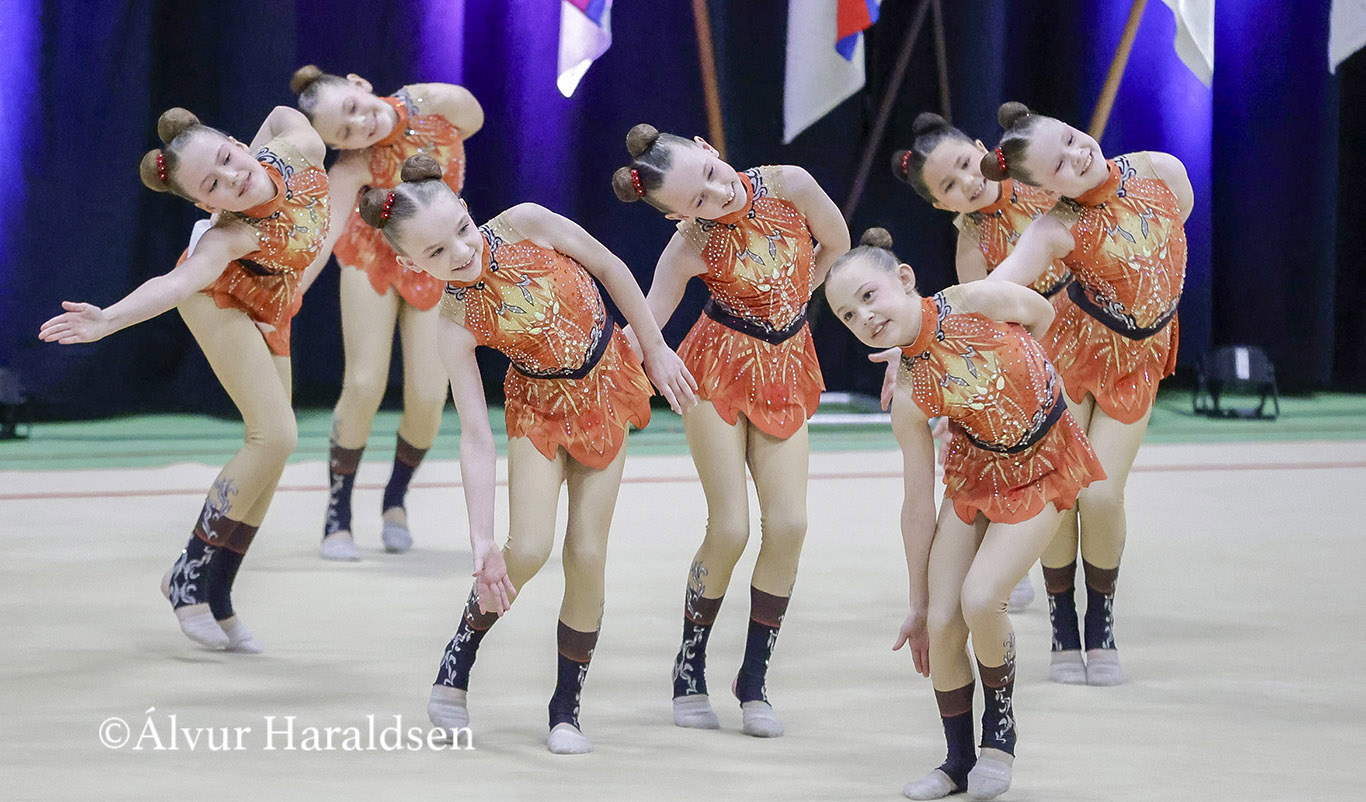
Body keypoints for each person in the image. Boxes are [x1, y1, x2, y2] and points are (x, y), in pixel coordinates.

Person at [355, 154, 696, 754]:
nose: (461, 251)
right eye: (436, 253)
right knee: (529, 548)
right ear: (410, 264)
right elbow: (474, 437)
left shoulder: (526, 222)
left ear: (467, 210)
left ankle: (566, 709)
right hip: (539, 412)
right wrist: (480, 540)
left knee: (587, 554)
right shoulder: (454, 322)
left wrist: (655, 347)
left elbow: (612, 268)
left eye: (461, 229)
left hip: (607, 389)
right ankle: (461, 653)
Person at [39, 106, 331, 653]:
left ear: (235, 142)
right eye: (212, 185)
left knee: (275, 453)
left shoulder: (298, 151)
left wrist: (255, 152)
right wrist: (108, 319)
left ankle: (217, 594)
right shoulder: (229, 235)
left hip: (272, 299)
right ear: (205, 205)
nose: (232, 178)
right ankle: (187, 572)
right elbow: (177, 285)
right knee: (273, 435)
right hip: (216, 298)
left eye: (227, 158)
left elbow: (281, 114)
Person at [824, 228, 1103, 800]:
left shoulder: (977, 300)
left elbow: (1043, 316)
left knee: (982, 599)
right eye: (849, 316)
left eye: (869, 297)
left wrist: (1034, 384)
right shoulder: (907, 394)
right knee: (943, 621)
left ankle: (1000, 737)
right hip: (977, 476)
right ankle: (957, 762)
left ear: (904, 279)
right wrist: (917, 600)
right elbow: (916, 504)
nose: (865, 317)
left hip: (1045, 461)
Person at [611, 123, 850, 737]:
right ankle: (689, 666)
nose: (719, 194)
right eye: (698, 200)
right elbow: (649, 319)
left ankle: (754, 676)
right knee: (731, 527)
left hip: (786, 365)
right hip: (716, 371)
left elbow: (837, 240)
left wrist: (796, 294)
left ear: (709, 148)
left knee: (790, 525)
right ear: (678, 216)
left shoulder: (789, 185)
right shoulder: (689, 246)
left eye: (712, 176)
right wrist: (598, 366)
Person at [981, 102, 1193, 686]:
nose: (1078, 156)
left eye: (1074, 140)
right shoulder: (1053, 227)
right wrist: (920, 330)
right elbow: (993, 289)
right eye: (1060, 166)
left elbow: (1170, 239)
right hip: (1070, 352)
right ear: (1045, 190)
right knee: (1062, 494)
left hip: (1136, 357)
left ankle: (1100, 621)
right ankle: (1063, 626)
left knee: (1101, 495)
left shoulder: (1162, 171)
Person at [882, 111, 1079, 613]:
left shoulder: (1039, 182)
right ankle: (1018, 561)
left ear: (979, 146)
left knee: (1086, 482)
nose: (968, 182)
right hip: (1034, 353)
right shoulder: (971, 245)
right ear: (939, 204)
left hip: (1088, 328)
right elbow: (977, 323)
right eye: (949, 185)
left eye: (967, 164)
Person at [291, 65, 484, 559]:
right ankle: (338, 513)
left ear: (359, 84)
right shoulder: (354, 166)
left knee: (428, 396)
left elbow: (473, 115)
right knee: (363, 383)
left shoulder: (434, 106)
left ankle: (395, 500)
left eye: (354, 108)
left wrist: (420, 99)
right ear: (338, 146)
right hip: (370, 259)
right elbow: (325, 235)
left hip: (434, 264)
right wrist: (289, 294)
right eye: (345, 133)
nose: (362, 125)